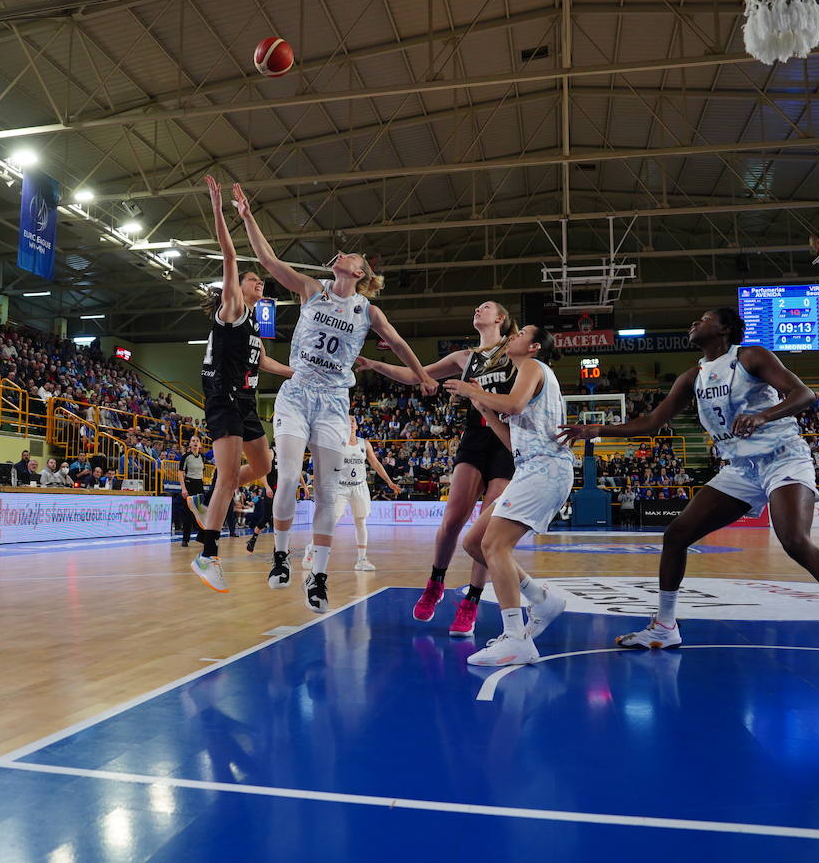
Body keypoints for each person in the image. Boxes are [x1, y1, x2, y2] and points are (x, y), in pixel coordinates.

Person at [557, 308, 819, 682]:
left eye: (704, 318)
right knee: (676, 535)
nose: (694, 322)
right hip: (741, 469)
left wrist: (764, 415)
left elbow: (804, 394)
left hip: (782, 457)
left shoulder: (750, 356)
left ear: (725, 329)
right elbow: (652, 421)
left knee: (794, 540)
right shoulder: (692, 376)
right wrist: (597, 429)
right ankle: (664, 626)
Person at [235, 182, 435, 612]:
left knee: (327, 492)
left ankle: (318, 577)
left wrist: (421, 376)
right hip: (296, 394)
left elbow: (398, 344)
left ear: (359, 273)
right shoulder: (312, 288)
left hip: (332, 402)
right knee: (287, 477)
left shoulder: (368, 312)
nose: (341, 254)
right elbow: (268, 260)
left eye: (351, 255)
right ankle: (281, 555)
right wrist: (247, 215)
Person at [356, 300, 518, 636]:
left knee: (488, 531)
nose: (478, 309)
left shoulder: (516, 353)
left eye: (485, 307)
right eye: (477, 306)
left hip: (508, 439)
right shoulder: (465, 358)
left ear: (500, 318)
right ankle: (435, 583)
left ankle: (471, 601)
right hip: (475, 437)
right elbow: (417, 375)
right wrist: (375, 363)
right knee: (452, 518)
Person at [186, 176, 294, 593]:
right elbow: (229, 256)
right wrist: (220, 210)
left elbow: (264, 362)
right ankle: (206, 553)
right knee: (229, 480)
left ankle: (205, 500)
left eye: (260, 284)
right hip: (223, 399)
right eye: (255, 281)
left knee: (264, 468)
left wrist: (300, 373)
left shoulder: (252, 326)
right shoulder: (231, 308)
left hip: (246, 400)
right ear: (239, 287)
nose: (259, 285)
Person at [444, 325, 571, 666]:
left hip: (546, 468)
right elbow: (513, 442)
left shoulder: (531, 367)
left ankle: (516, 638)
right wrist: (483, 407)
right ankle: (541, 598)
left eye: (521, 334)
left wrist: (473, 389)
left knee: (494, 545)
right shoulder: (524, 376)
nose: (512, 336)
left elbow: (513, 405)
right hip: (529, 466)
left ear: (532, 347)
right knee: (474, 542)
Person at [302, 415, 400, 573]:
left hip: (360, 487)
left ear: (357, 425)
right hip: (340, 487)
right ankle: (312, 549)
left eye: (353, 421)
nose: (351, 424)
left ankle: (361, 560)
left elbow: (375, 463)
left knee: (361, 521)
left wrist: (389, 481)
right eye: (347, 422)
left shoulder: (364, 443)